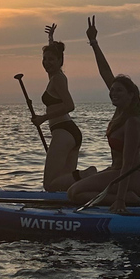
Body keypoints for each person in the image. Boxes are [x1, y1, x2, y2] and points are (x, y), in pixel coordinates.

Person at [68, 16, 140, 211]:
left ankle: (129, 198)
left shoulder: (133, 121)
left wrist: (120, 200)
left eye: (119, 91)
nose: (113, 93)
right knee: (72, 191)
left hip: (133, 177)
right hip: (116, 172)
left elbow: (128, 163)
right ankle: (121, 195)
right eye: (112, 90)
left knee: (75, 193)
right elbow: (105, 72)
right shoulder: (120, 112)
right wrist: (94, 42)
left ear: (131, 95)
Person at [31, 23, 95, 192]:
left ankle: (87, 175)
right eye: (44, 59)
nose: (46, 62)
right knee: (64, 184)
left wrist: (43, 119)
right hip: (69, 132)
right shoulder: (53, 76)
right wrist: (50, 39)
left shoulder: (58, 78)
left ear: (60, 61)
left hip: (63, 132)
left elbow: (70, 105)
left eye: (51, 59)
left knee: (50, 185)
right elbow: (54, 55)